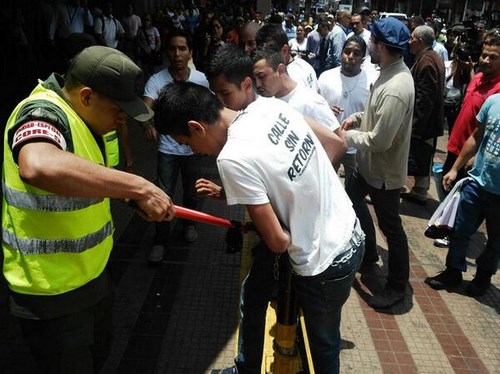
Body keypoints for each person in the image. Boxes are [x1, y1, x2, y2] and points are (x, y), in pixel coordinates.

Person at [155, 81, 364, 374]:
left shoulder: (232, 158)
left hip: (324, 263)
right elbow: (312, 155)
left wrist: (296, 229)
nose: (195, 151)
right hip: (351, 232)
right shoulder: (269, 105)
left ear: (197, 127)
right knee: (311, 334)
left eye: (188, 143)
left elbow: (277, 242)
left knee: (322, 350)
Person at [2, 45, 174, 374]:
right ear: (85, 97)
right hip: (51, 290)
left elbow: (89, 180)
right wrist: (138, 186)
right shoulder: (41, 112)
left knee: (99, 356)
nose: (122, 119)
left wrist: (130, 199)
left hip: (91, 277)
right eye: (117, 110)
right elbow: (38, 164)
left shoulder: (90, 123)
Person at [342, 17, 414, 309]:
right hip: (367, 168)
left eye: (371, 42)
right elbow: (375, 117)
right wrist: (357, 119)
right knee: (351, 200)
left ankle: (396, 286)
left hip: (383, 174)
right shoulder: (386, 71)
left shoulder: (397, 87)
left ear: (381, 46)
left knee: (392, 228)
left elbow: (380, 141)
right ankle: (368, 253)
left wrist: (348, 137)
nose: (368, 45)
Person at [142, 28, 208, 264]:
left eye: (182, 48)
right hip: (167, 150)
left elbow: (208, 111)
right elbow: (145, 106)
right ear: (166, 52)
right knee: (163, 195)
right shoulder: (157, 80)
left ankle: (189, 224)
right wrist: (147, 121)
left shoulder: (200, 80)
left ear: (190, 52)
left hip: (192, 151)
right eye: (172, 48)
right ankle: (160, 241)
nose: (177, 53)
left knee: (191, 192)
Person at [425, 93, 500, 296]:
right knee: (459, 230)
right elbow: (476, 136)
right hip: (477, 183)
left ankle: (483, 277)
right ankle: (453, 272)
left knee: (495, 241)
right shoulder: (493, 102)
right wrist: (455, 168)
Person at [252, 47, 346, 163]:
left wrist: (313, 176)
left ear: (280, 70)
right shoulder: (269, 102)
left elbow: (341, 144)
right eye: (255, 79)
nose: (258, 84)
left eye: (262, 76)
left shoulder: (310, 101)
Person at [319, 35, 380, 187]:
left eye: (356, 53)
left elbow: (374, 113)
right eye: (347, 51)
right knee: (326, 186)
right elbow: (315, 107)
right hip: (330, 143)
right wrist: (325, 109)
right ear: (341, 53)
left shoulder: (372, 80)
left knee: (353, 192)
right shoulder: (326, 77)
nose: (350, 57)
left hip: (357, 148)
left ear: (363, 59)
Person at [401, 25, 445, 205]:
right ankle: (420, 190)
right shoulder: (431, 57)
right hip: (428, 123)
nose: (409, 42)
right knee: (423, 157)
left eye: (411, 39)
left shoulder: (426, 61)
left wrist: (414, 128)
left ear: (419, 41)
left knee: (419, 157)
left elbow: (424, 99)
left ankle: (418, 191)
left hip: (424, 124)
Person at [256, 23, 318, 92]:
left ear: (285, 50)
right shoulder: (305, 65)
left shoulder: (287, 77)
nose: (264, 58)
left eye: (270, 52)